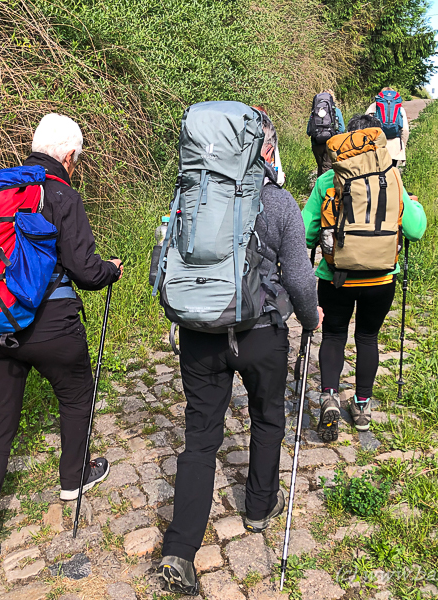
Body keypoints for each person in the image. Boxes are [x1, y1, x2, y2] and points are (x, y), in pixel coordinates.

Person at [0, 114, 124, 567]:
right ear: (68, 156)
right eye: (76, 159)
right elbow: (85, 271)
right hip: (49, 326)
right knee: (77, 393)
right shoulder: (60, 193)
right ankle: (74, 478)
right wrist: (111, 270)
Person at [159, 110, 322, 595]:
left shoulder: (191, 193)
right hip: (260, 333)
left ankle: (179, 550)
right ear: (264, 151)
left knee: (200, 437)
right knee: (268, 417)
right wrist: (311, 318)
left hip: (199, 330)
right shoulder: (278, 201)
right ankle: (259, 506)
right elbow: (299, 279)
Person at [302, 114, 426, 439]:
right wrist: (415, 206)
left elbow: (306, 233)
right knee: (368, 337)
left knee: (333, 335)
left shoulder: (328, 180)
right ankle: (361, 406)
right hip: (381, 279)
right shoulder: (393, 176)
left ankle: (329, 397)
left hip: (337, 277)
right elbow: (415, 230)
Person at [366, 87, 410, 168]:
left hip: (377, 145)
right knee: (392, 170)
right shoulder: (399, 108)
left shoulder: (373, 107)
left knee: (377, 171)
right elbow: (405, 130)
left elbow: (364, 127)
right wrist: (403, 145)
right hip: (394, 146)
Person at [307, 89, 345, 176]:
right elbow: (342, 128)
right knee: (327, 168)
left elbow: (308, 130)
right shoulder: (336, 111)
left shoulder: (315, 111)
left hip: (316, 143)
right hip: (330, 142)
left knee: (320, 167)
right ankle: (326, 184)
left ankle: (318, 184)